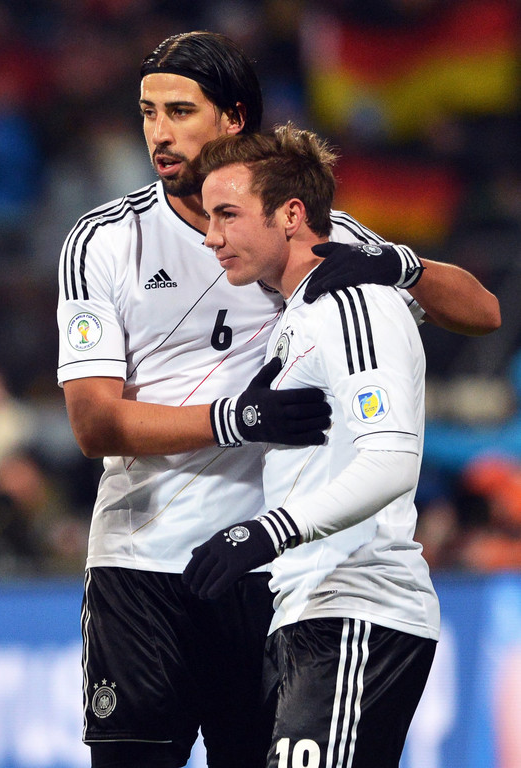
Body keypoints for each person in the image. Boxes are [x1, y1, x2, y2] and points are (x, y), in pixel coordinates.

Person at [56, 30, 500, 768]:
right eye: (147, 112)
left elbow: (481, 311)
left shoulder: (305, 236)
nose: (159, 133)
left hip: (269, 567)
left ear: (234, 119)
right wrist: (237, 418)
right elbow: (93, 422)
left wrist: (398, 262)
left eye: (179, 111)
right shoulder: (105, 240)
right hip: (142, 563)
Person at [184, 123, 441, 768]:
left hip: (357, 604)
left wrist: (265, 532)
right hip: (307, 609)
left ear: (291, 214)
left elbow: (392, 460)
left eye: (227, 214)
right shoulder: (297, 317)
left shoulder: (352, 303)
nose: (210, 236)